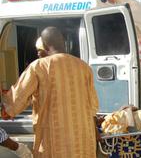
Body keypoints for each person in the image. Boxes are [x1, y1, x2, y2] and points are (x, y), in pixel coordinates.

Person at [2, 27, 99, 158]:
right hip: (83, 141)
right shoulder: (84, 67)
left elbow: (15, 102)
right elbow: (93, 106)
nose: (38, 54)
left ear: (46, 46)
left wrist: (7, 109)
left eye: (39, 51)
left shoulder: (38, 67)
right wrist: (95, 133)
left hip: (54, 142)